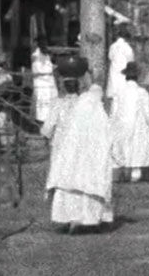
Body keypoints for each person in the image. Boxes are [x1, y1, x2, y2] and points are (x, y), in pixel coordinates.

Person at [42, 62, 115, 232]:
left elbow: (46, 130)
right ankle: (88, 219)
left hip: (63, 151)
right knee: (85, 181)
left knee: (66, 183)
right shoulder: (89, 103)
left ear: (64, 86)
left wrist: (47, 134)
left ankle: (70, 219)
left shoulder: (59, 104)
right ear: (79, 85)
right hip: (86, 150)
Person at [111, 62, 149, 183]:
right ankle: (135, 171)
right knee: (138, 146)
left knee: (123, 146)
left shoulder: (119, 92)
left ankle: (125, 170)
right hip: (138, 124)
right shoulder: (142, 92)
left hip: (122, 123)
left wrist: (112, 126)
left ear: (126, 76)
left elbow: (114, 112)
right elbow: (147, 111)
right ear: (137, 77)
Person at [107, 30, 135, 99]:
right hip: (124, 69)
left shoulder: (112, 46)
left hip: (114, 69)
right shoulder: (127, 47)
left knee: (114, 85)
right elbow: (131, 59)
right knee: (122, 87)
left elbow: (110, 57)